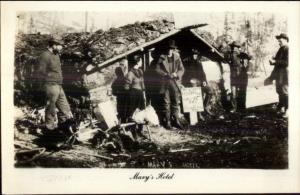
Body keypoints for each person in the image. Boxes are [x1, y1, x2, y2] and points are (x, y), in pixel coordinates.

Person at [155, 40, 185, 130]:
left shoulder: (177, 57)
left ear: (174, 49)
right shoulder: (161, 58)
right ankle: (167, 121)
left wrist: (177, 74)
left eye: (171, 49)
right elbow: (156, 69)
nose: (169, 51)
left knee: (175, 102)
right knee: (166, 103)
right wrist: (165, 74)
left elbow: (182, 69)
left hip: (175, 82)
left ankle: (175, 120)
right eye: (168, 49)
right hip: (165, 83)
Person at [183, 49, 213, 120]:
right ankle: (199, 114)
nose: (195, 56)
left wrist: (204, 81)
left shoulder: (199, 63)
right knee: (198, 94)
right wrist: (189, 80)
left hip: (199, 82)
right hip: (191, 83)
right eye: (193, 54)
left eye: (196, 54)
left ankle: (204, 107)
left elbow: (203, 73)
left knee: (210, 91)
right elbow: (184, 75)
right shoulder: (186, 63)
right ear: (190, 55)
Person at [265, 33, 288, 118]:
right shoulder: (281, 49)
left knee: (285, 92)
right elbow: (278, 62)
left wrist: (275, 61)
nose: (279, 42)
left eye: (280, 41)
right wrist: (274, 59)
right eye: (278, 41)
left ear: (285, 40)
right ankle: (282, 108)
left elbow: (287, 62)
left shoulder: (288, 49)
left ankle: (287, 110)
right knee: (279, 91)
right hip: (279, 74)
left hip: (285, 73)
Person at [124, 54, 146, 139]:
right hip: (133, 94)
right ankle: (133, 130)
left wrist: (143, 92)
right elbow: (126, 86)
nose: (142, 62)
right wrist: (129, 93)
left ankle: (140, 130)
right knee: (132, 112)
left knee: (141, 111)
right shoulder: (130, 73)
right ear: (137, 62)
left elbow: (142, 83)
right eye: (141, 61)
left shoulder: (140, 71)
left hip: (140, 94)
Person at [228, 41, 243, 112]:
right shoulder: (231, 55)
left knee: (239, 92)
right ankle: (234, 107)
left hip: (239, 77)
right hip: (233, 77)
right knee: (234, 93)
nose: (234, 49)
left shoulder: (241, 56)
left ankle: (239, 107)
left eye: (235, 47)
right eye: (233, 47)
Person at [112, 58, 128, 123]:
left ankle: (121, 123)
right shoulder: (125, 79)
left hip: (120, 97)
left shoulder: (116, 81)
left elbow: (113, 91)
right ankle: (124, 123)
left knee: (120, 110)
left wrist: (117, 93)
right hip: (125, 97)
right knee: (124, 110)